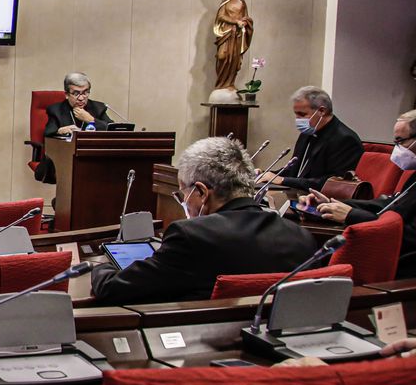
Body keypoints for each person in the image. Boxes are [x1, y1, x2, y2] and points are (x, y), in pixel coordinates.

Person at [91, 136, 318, 304]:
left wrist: (101, 267)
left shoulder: (192, 236)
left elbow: (115, 290)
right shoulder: (300, 236)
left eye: (182, 194)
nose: (184, 203)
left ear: (200, 191)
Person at [298, 109, 416, 278]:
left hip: (403, 271)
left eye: (400, 141)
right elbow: (389, 205)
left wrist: (352, 215)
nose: (396, 149)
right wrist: (335, 203)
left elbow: (408, 235)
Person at [258, 86, 362, 192]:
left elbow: (333, 183)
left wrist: (283, 180)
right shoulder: (308, 132)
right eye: (296, 114)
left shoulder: (345, 139)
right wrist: (265, 174)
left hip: (323, 202)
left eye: (302, 114)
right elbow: (294, 171)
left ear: (322, 111)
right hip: (298, 195)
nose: (298, 120)